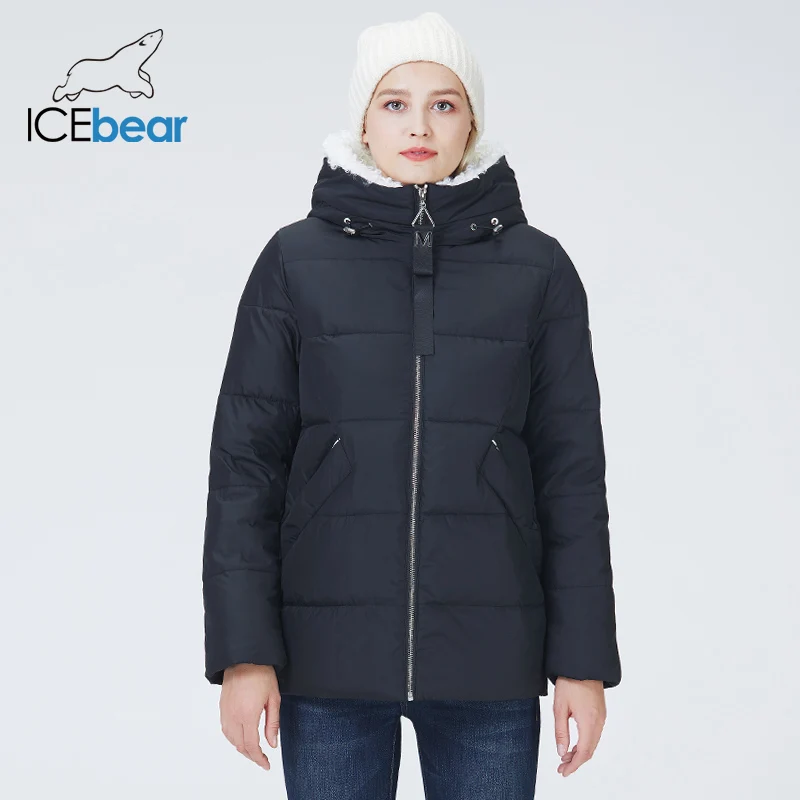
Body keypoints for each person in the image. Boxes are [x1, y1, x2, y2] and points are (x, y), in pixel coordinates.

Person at [202, 11, 622, 798]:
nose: (420, 125)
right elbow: (245, 468)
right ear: (363, 120)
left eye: (444, 103)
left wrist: (582, 662)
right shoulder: (294, 262)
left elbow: (571, 476)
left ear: (472, 122)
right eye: (395, 103)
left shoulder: (538, 270)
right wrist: (244, 654)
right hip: (324, 660)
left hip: (491, 659)